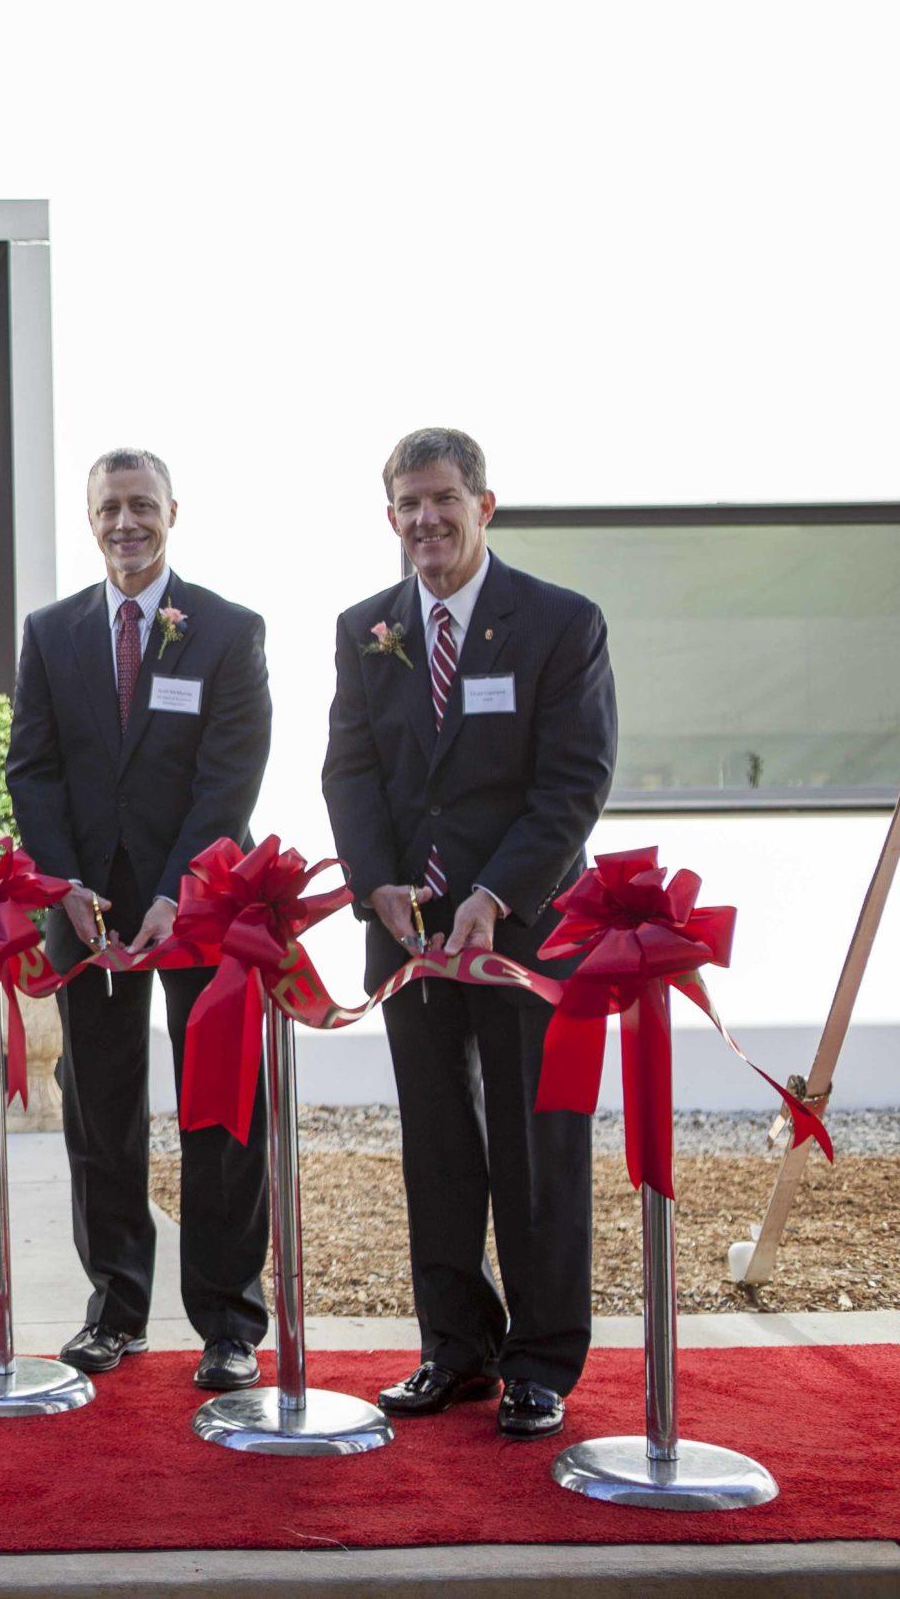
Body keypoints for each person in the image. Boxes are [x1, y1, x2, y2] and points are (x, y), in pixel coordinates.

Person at [321, 427, 616, 1439]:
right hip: (412, 944)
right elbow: (350, 773)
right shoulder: (365, 629)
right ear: (390, 515)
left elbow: (572, 782)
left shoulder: (559, 623)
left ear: (484, 505)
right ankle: (455, 1348)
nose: (425, 519)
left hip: (524, 935)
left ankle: (540, 1361)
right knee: (436, 1147)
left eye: (442, 499)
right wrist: (376, 887)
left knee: (537, 1149)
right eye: (407, 503)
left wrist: (498, 891)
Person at [6, 448, 274, 1390]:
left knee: (221, 1113)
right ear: (90, 518)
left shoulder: (228, 632)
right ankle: (115, 1309)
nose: (127, 522)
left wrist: (176, 890)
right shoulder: (51, 632)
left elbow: (228, 776)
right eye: (110, 507)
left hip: (195, 908)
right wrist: (62, 883)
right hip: (86, 915)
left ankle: (230, 1323)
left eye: (142, 506)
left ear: (172, 512)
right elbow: (30, 769)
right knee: (101, 1112)